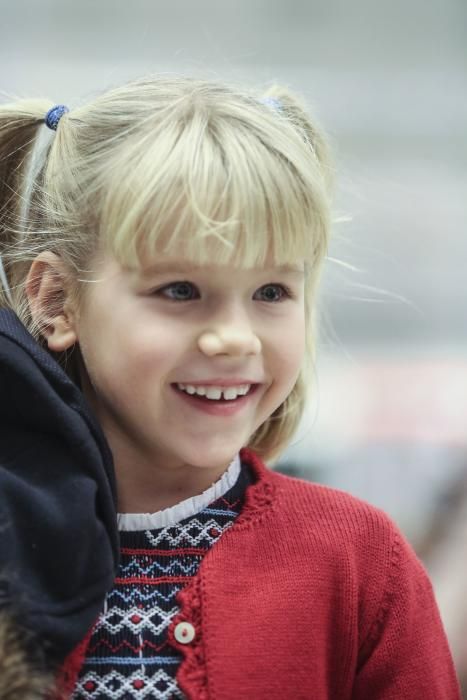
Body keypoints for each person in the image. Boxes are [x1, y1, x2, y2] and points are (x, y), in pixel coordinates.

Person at [0, 75, 461, 700]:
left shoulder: (358, 562)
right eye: (180, 291)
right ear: (55, 299)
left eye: (271, 292)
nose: (234, 338)